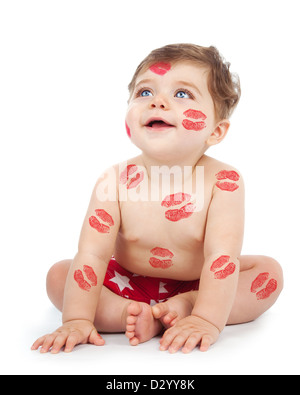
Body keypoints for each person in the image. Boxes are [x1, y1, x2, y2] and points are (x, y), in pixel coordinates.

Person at [31, 43, 283, 354]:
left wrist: (206, 318)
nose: (158, 102)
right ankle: (129, 313)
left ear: (216, 132)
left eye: (181, 94)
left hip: (198, 285)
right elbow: (93, 255)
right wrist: (77, 318)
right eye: (145, 92)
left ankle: (188, 309)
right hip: (127, 283)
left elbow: (222, 257)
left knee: (269, 273)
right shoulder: (114, 180)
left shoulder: (223, 181)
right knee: (59, 276)